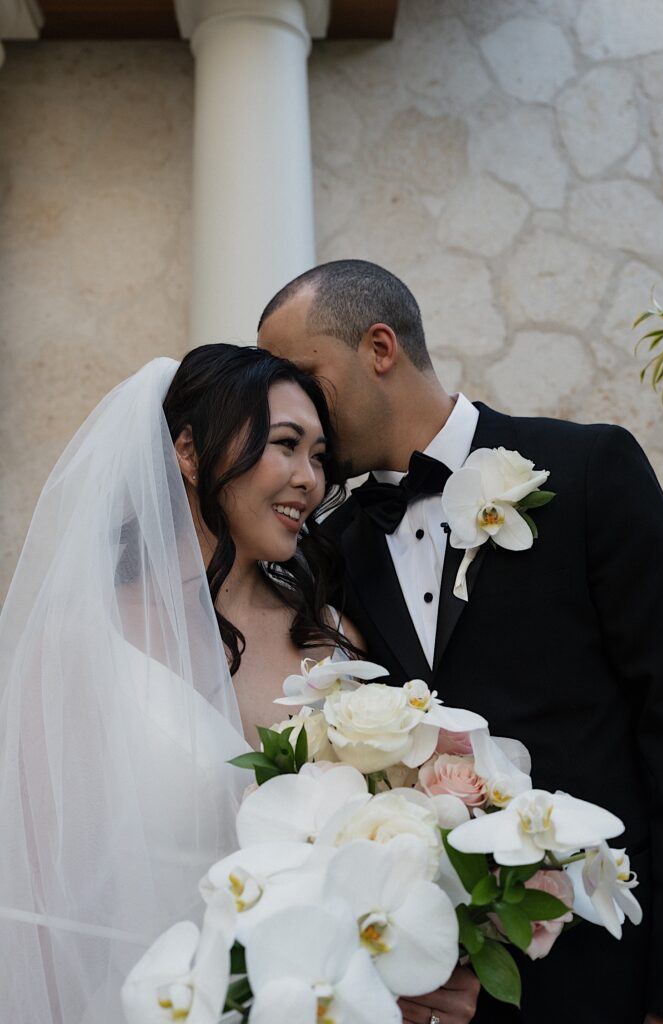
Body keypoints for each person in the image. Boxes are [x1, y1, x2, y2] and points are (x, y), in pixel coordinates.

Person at [0, 343, 478, 1024]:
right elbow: (40, 902)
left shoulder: (337, 636)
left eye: (319, 456)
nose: (309, 479)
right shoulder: (84, 640)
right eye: (286, 444)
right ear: (188, 452)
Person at [257, 258, 663, 1024]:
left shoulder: (590, 473)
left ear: (379, 348)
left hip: (614, 975)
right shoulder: (330, 550)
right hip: (439, 991)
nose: (291, 405)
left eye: (302, 375)